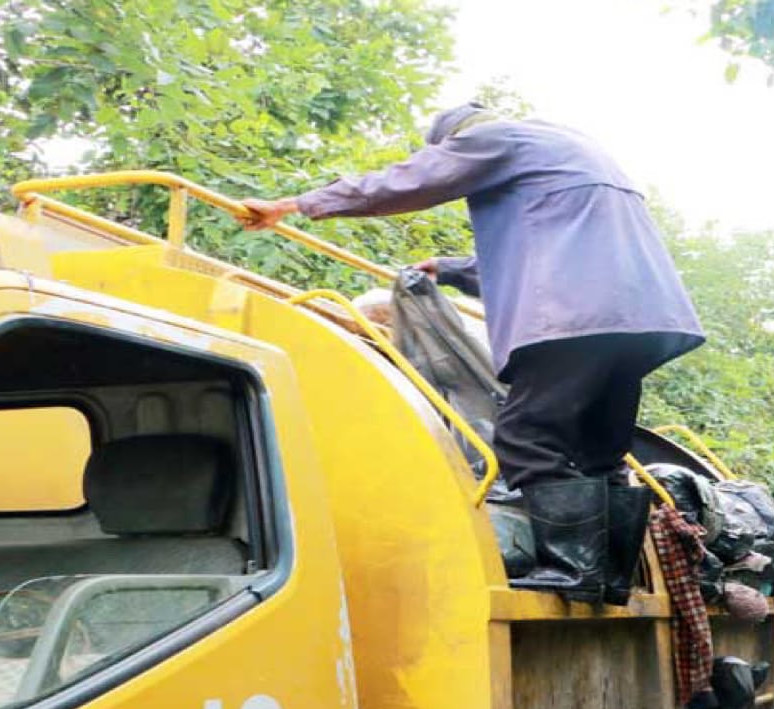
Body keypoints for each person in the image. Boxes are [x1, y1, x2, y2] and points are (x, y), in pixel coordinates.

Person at [239, 104, 704, 605]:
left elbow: (408, 181)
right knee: (599, 450)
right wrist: (449, 269)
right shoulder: (570, 152)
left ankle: (574, 570)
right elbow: (544, 256)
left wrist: (295, 204)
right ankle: (609, 577)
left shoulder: (497, 138)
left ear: (455, 141)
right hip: (642, 318)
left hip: (576, 316)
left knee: (525, 434)